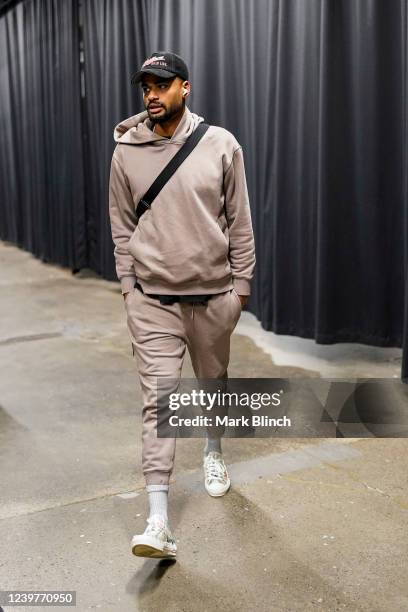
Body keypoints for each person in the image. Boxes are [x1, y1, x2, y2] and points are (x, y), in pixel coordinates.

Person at [108, 51, 255, 559]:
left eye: (162, 84)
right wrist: (129, 289)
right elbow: (122, 226)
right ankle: (158, 521)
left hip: (213, 297)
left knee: (213, 385)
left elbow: (239, 221)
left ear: (184, 88)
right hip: (153, 301)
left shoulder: (220, 144)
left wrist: (241, 291)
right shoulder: (125, 149)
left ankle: (214, 452)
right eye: (145, 85)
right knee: (160, 403)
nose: (151, 93)